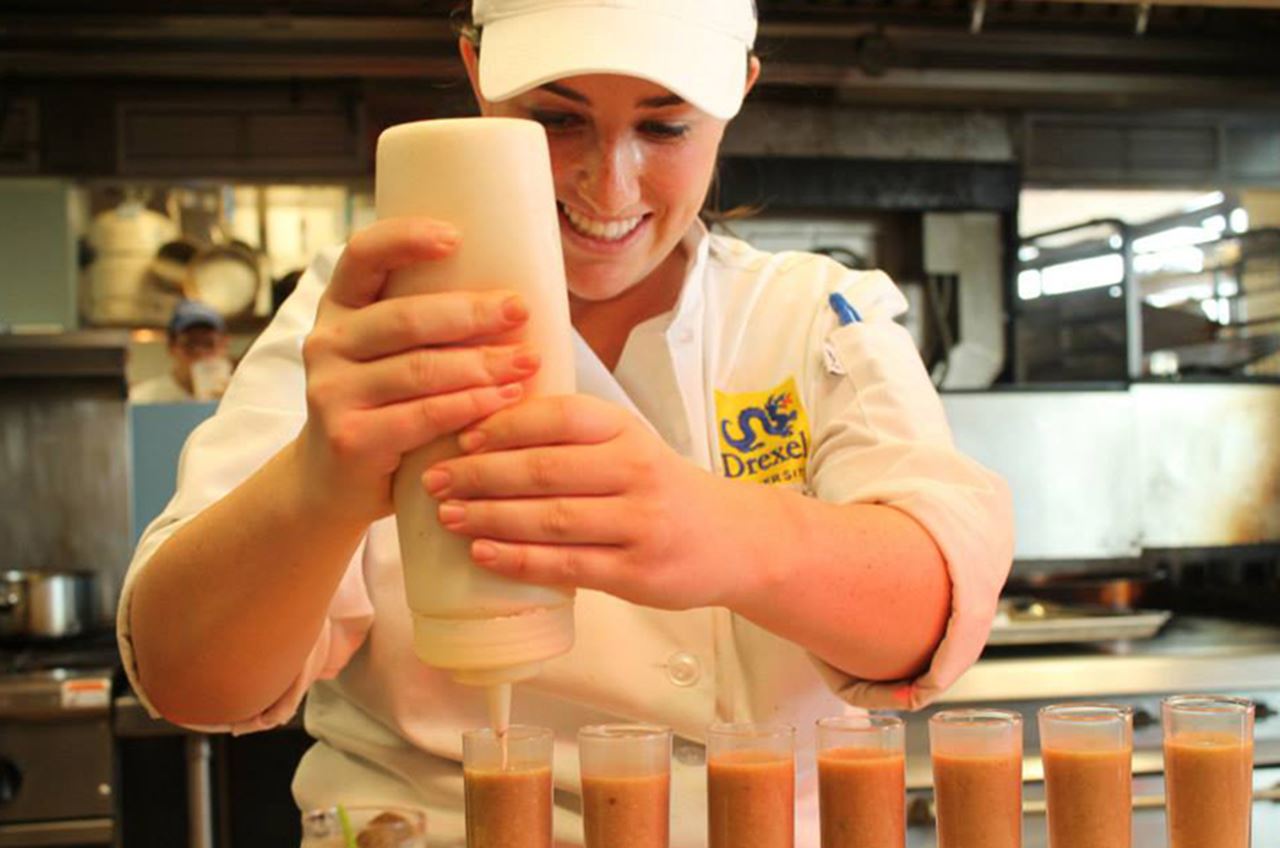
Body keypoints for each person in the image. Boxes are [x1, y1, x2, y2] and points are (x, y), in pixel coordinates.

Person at [119, 0, 1015, 842]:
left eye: (665, 127)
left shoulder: (806, 314)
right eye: (558, 118)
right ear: (478, 73)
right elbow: (190, 680)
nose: (608, 184)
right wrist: (318, 488)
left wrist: (727, 533)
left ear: (738, 90)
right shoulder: (362, 319)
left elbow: (933, 612)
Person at [129, 299, 232, 403]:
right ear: (171, 347)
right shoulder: (140, 399)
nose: (200, 352)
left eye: (208, 344)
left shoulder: (235, 398)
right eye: (191, 344)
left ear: (224, 346)